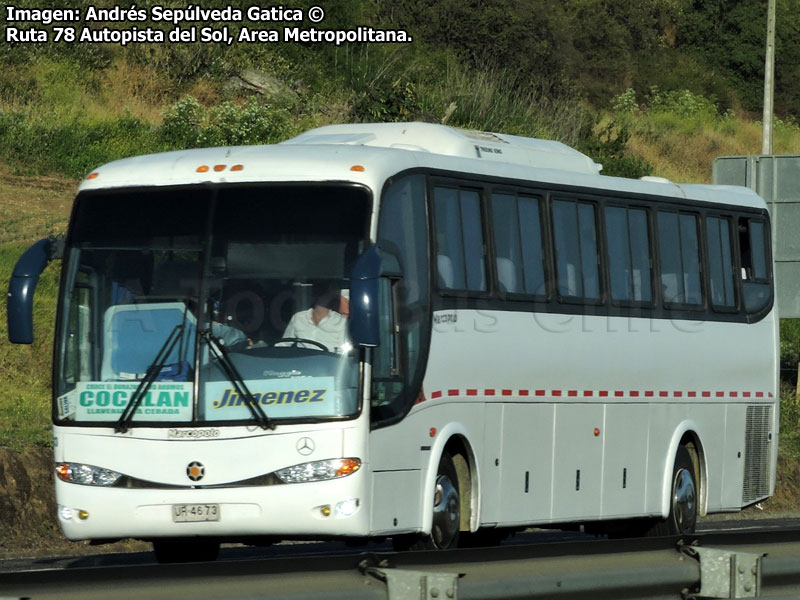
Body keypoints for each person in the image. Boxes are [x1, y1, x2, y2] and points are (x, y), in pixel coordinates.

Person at [282, 284, 349, 352]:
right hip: (302, 360)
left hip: (328, 360)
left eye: (324, 294)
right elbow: (284, 343)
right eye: (318, 294)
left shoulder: (341, 321)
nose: (320, 297)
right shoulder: (298, 317)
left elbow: (342, 351)